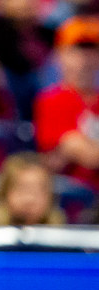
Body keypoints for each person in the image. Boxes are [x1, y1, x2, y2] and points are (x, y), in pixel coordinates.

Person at [35, 16, 99, 193]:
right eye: (77, 50)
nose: (86, 58)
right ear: (60, 56)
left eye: (93, 50)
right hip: (68, 197)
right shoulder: (50, 100)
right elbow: (83, 154)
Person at [0, 152, 65, 227]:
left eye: (37, 192)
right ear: (4, 193)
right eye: (22, 190)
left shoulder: (60, 234)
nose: (29, 199)